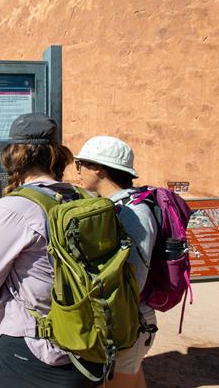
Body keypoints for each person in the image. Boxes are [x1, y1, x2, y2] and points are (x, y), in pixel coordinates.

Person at [0, 113, 103, 388]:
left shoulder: (13, 208)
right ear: (58, 155)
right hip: (89, 343)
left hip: (39, 352)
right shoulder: (82, 199)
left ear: (14, 155)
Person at [75, 136, 158, 388]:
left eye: (80, 164)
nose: (77, 172)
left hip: (128, 321)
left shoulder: (131, 212)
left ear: (98, 168)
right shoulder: (118, 205)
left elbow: (136, 281)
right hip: (129, 321)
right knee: (131, 377)